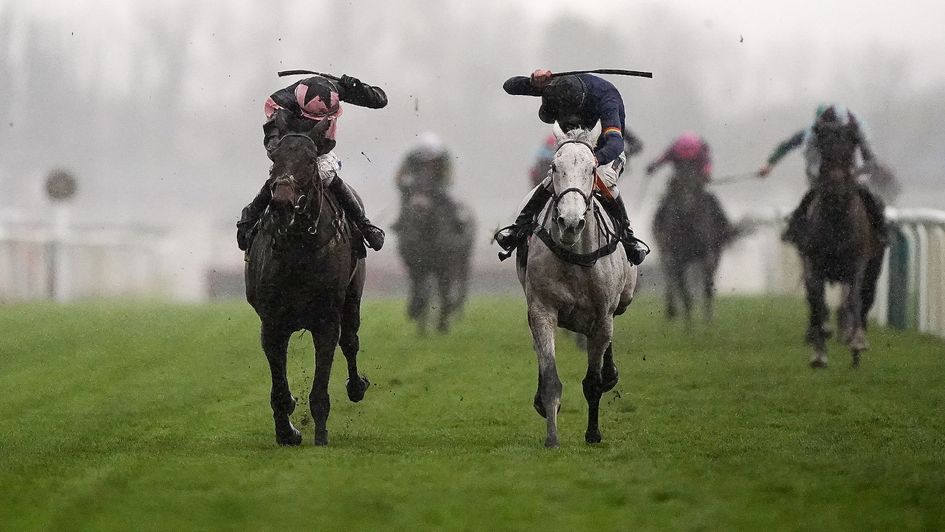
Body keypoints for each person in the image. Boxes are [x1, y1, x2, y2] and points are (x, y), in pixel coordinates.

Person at [495, 69, 649, 265]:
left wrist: (595, 160)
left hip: (606, 152)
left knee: (603, 180)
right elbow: (509, 86)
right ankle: (518, 229)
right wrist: (534, 81)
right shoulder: (557, 87)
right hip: (574, 149)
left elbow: (616, 144)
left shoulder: (606, 98)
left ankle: (628, 237)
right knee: (555, 178)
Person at [236, 74, 387, 252]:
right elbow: (272, 144)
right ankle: (249, 219)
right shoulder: (280, 104)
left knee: (327, 174)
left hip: (319, 148)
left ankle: (364, 225)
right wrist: (289, 158)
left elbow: (380, 100)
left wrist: (358, 87)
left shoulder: (333, 90)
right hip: (289, 147)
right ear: (300, 107)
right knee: (282, 179)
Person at [758, 104, 886, 246]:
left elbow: (869, 159)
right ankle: (793, 230)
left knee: (870, 198)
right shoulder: (812, 133)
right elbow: (787, 146)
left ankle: (881, 232)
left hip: (851, 175)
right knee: (809, 198)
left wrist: (856, 172)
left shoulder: (852, 131)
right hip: (823, 177)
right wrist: (769, 165)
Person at [646, 131, 732, 237]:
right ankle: (657, 230)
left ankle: (726, 230)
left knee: (711, 201)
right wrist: (653, 166)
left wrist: (705, 175)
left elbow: (707, 166)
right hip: (678, 186)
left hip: (695, 186)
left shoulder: (697, 152)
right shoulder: (677, 150)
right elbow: (662, 159)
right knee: (664, 204)